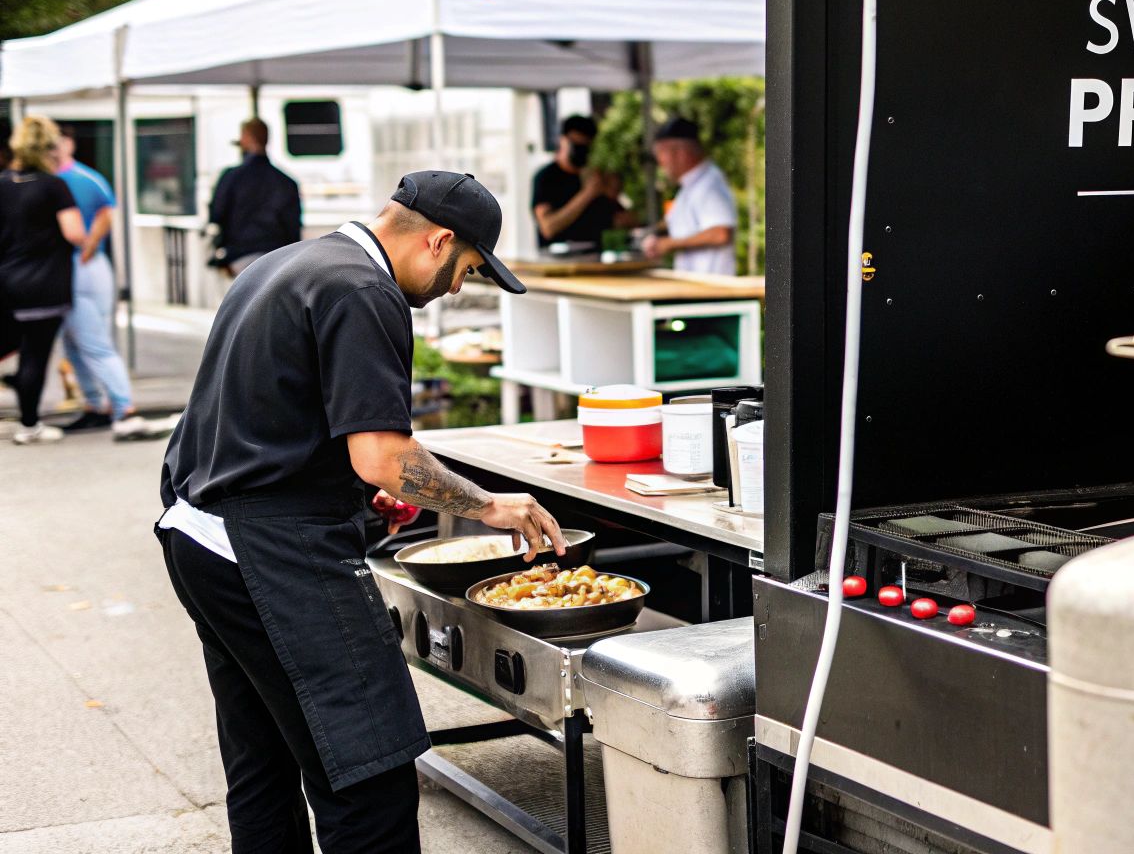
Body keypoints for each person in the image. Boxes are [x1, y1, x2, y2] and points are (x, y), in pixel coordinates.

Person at [158, 170, 566, 852]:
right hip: (273, 558)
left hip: (201, 538)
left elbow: (266, 416)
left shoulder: (281, 264)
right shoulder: (363, 290)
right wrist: (487, 504)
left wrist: (349, 488)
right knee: (368, 776)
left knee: (263, 764)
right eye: (466, 269)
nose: (457, 288)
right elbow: (383, 454)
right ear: (437, 242)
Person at [54, 126, 175, 441]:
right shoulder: (68, 178)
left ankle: (122, 407)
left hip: (83, 268)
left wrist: (88, 246)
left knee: (93, 343)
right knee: (75, 343)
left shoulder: (80, 178)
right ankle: (97, 406)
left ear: (68, 143)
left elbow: (108, 211)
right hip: (79, 267)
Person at [0, 116, 87, 444]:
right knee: (34, 355)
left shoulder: (3, 183)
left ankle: (21, 393)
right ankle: (29, 425)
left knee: (15, 348)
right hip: (45, 284)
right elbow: (75, 233)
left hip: (7, 284)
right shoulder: (54, 186)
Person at [640, 116, 737, 275]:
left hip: (711, 292)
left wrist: (669, 244)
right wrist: (649, 233)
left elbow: (720, 233)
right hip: (697, 290)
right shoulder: (690, 186)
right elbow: (679, 222)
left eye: (661, 154)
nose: (660, 163)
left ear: (681, 153)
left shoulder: (709, 184)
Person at [208, 117, 301, 277]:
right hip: (278, 258)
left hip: (239, 256)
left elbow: (217, 215)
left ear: (246, 138)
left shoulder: (231, 177)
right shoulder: (287, 182)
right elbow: (293, 228)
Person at [530, 113, 634, 248]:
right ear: (563, 141)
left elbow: (619, 220)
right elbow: (548, 227)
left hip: (594, 258)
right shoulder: (546, 177)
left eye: (586, 146)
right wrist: (587, 194)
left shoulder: (595, 176)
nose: (581, 151)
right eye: (576, 145)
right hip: (558, 261)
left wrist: (610, 192)